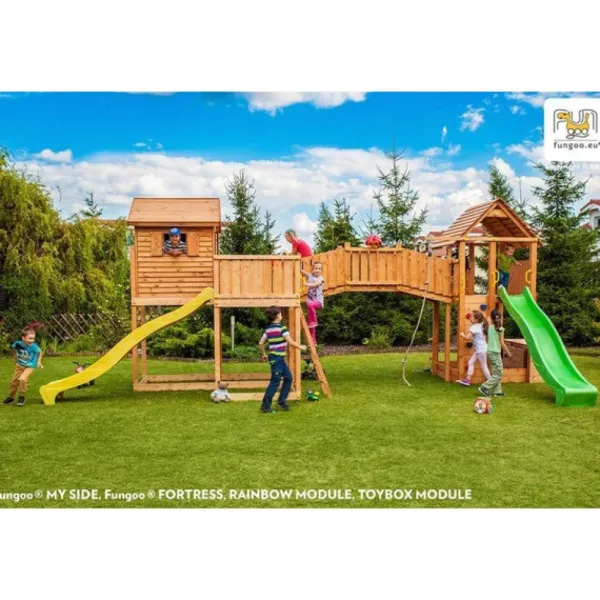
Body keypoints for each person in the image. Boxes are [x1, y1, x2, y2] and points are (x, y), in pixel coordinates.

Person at [258, 306, 306, 413]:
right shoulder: (282, 328)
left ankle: (282, 401)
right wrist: (301, 347)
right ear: (278, 315)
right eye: (280, 313)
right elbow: (290, 342)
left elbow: (261, 343)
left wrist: (264, 354)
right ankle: (265, 405)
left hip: (278, 358)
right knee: (275, 382)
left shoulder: (268, 329)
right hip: (277, 359)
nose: (281, 315)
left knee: (288, 378)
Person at [3, 327, 44, 407]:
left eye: (33, 338)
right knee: (14, 382)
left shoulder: (34, 346)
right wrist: (15, 358)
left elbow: (40, 352)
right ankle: (11, 397)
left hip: (30, 366)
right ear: (23, 338)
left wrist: (38, 362)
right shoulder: (18, 344)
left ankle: (22, 396)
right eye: (30, 338)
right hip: (19, 366)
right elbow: (15, 349)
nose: (32, 340)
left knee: (22, 379)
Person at [479, 309, 512, 398]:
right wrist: (508, 352)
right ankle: (484, 387)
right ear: (501, 318)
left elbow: (487, 338)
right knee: (499, 374)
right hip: (495, 353)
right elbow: (502, 343)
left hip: (489, 352)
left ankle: (497, 391)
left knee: (495, 372)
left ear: (492, 319)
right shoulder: (501, 329)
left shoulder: (489, 328)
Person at [457, 310, 491, 386]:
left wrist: (462, 334)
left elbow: (467, 338)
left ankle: (491, 383)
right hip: (482, 349)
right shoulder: (482, 324)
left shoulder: (474, 327)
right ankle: (467, 380)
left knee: (484, 366)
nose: (470, 318)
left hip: (480, 350)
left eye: (472, 317)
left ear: (477, 320)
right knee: (470, 362)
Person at [301, 261, 325, 345]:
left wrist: (306, 284)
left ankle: (314, 320)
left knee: (310, 304)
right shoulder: (309, 276)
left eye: (319, 269)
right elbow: (301, 271)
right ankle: (313, 341)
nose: (317, 270)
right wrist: (296, 262)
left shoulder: (321, 279)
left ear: (321, 270)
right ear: (312, 269)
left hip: (318, 301)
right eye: (316, 268)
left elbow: (315, 284)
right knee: (310, 324)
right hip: (311, 301)